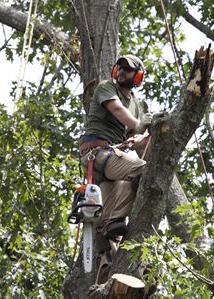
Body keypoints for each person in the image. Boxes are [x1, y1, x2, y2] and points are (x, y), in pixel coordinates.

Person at [78, 54, 153, 283]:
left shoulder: (136, 105)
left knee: (107, 229)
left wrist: (153, 134)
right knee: (141, 171)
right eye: (119, 67)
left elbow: (136, 138)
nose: (121, 71)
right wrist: (139, 124)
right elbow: (118, 110)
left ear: (138, 76)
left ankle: (105, 276)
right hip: (97, 154)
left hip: (114, 160)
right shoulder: (106, 88)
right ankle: (113, 222)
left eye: (127, 69)